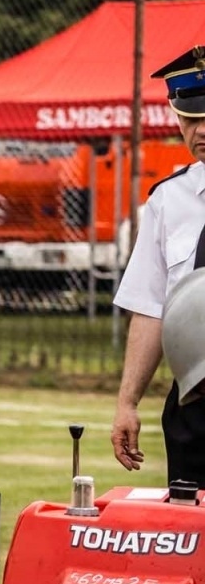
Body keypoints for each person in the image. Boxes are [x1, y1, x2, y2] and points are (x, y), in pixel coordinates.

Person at [113, 45, 205, 484]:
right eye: (189, 118)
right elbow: (150, 307)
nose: (200, 130)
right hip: (195, 403)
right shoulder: (168, 200)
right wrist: (127, 402)